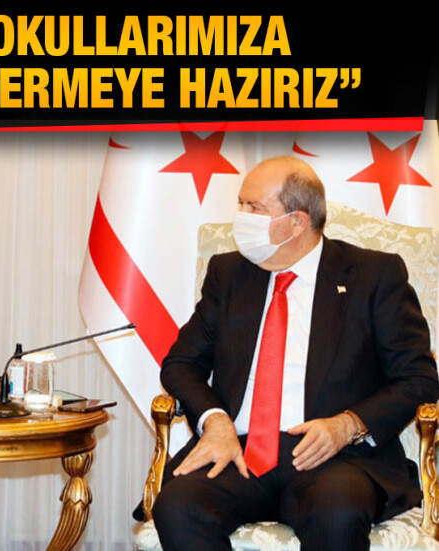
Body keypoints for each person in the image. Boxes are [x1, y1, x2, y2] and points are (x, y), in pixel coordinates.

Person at [151, 156, 439, 551]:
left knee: (336, 512)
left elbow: (418, 378)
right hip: (238, 451)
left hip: (336, 458)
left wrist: (348, 424)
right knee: (178, 506)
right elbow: (181, 364)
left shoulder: (373, 275)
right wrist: (214, 421)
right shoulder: (228, 274)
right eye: (240, 204)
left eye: (255, 207)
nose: (241, 216)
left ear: (298, 222)